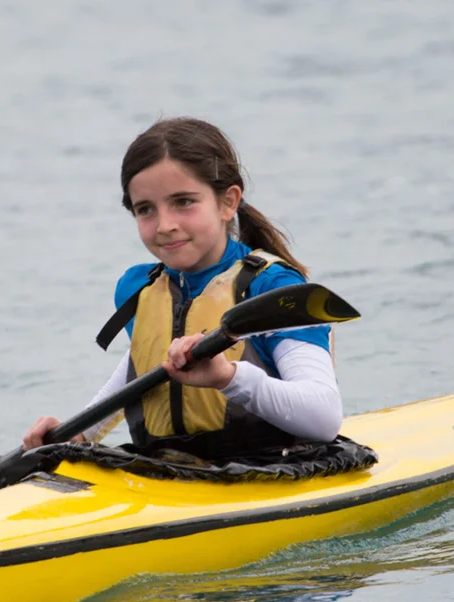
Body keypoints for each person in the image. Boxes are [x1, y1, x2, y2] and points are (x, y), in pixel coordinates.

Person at [22, 117, 343, 461]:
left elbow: (324, 419)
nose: (165, 225)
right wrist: (80, 431)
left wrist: (227, 377)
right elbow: (141, 366)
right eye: (146, 209)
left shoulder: (274, 288)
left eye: (184, 202)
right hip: (170, 468)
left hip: (271, 464)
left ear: (228, 202)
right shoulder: (139, 289)